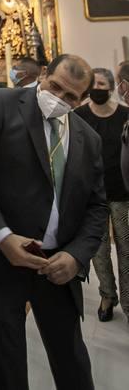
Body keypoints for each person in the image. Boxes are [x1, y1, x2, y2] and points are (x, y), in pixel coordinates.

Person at [0, 54, 107, 390]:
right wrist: (3, 237)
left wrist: (77, 255)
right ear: (45, 76)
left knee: (72, 358)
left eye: (71, 97)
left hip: (57, 262)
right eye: (55, 88)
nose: (60, 100)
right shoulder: (1, 103)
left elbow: (97, 205)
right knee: (6, 361)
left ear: (82, 100)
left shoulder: (88, 138)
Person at [73, 67, 129, 322]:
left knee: (126, 248)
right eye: (93, 85)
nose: (98, 90)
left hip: (122, 192)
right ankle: (108, 295)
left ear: (112, 87)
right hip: (91, 194)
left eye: (102, 85)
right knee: (99, 248)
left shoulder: (125, 115)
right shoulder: (79, 115)